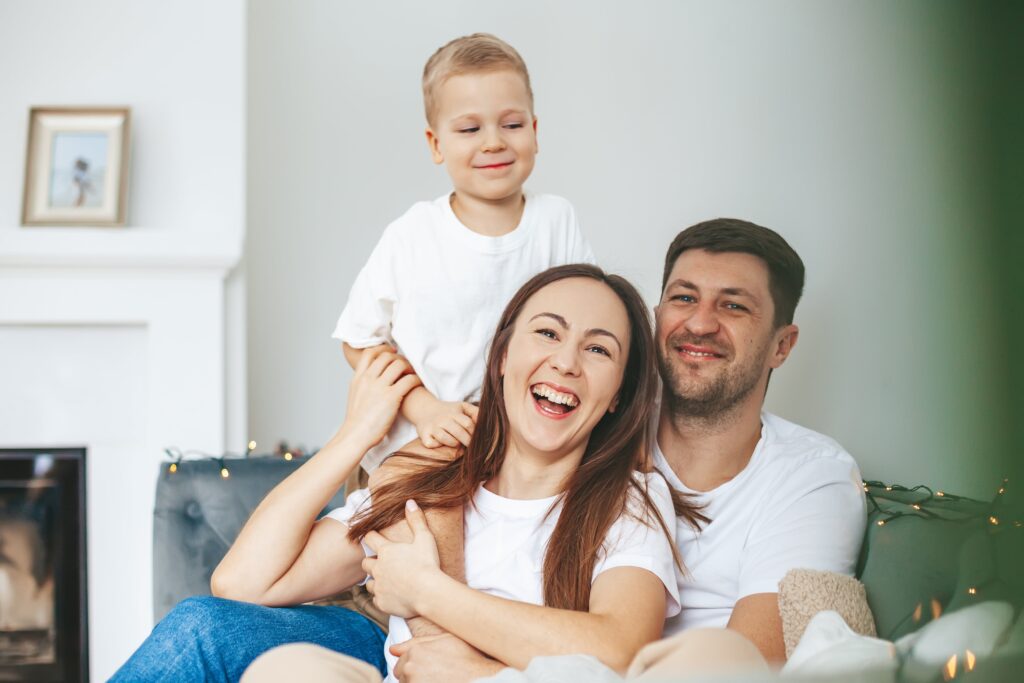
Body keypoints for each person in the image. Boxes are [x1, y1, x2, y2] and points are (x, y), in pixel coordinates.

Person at [111, 265, 693, 682]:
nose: (566, 360)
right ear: (502, 359)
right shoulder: (434, 479)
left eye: (599, 349)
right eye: (547, 332)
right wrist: (355, 436)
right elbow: (242, 584)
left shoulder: (631, 499)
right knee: (201, 627)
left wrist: (429, 595)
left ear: (618, 394)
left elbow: (618, 648)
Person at [356, 219, 866, 680]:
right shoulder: (585, 420)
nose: (701, 323)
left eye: (733, 305)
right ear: (656, 315)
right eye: (684, 298)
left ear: (783, 344)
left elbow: (745, 667)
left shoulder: (810, 477)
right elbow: (438, 472)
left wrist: (477, 664)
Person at [335, 32, 594, 474]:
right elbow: (360, 342)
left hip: (520, 450)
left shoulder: (556, 221)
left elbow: (590, 317)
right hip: (423, 445)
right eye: (470, 129)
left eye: (511, 125)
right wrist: (424, 409)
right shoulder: (413, 235)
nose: (493, 142)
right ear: (437, 144)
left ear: (534, 131)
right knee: (425, 530)